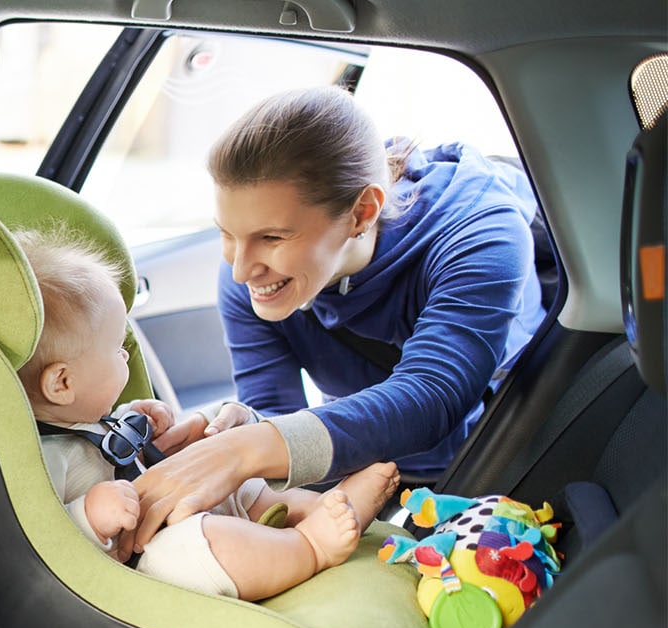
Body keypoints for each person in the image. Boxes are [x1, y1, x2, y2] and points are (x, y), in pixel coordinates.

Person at [130, 85, 546, 551]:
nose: (242, 268)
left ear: (361, 213)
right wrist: (237, 429)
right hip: (368, 466)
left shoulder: (480, 233)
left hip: (499, 455)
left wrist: (243, 451)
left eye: (271, 237)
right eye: (226, 233)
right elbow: (279, 418)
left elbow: (433, 395)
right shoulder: (249, 277)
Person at [15, 227, 399, 602]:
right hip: (142, 559)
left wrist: (139, 419)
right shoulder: (44, 457)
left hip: (172, 507)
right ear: (62, 384)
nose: (126, 354)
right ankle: (310, 546)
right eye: (116, 348)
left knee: (239, 485)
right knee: (199, 544)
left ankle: (316, 508)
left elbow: (110, 445)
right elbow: (41, 544)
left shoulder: (86, 417)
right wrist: (89, 516)